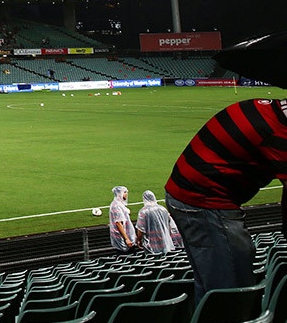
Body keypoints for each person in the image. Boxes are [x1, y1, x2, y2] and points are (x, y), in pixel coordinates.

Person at [166, 97, 287, 302]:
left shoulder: (268, 108)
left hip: (188, 194)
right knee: (232, 289)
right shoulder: (280, 133)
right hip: (203, 201)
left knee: (212, 283)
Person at [135, 190, 181, 255]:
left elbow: (141, 229)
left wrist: (138, 240)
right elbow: (169, 225)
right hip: (164, 241)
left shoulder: (143, 212)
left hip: (152, 243)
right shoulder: (163, 209)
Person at [108, 186, 136, 253]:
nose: (126, 194)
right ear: (119, 194)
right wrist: (126, 239)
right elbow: (118, 223)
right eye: (124, 192)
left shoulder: (120, 204)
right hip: (122, 238)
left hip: (126, 235)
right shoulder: (116, 206)